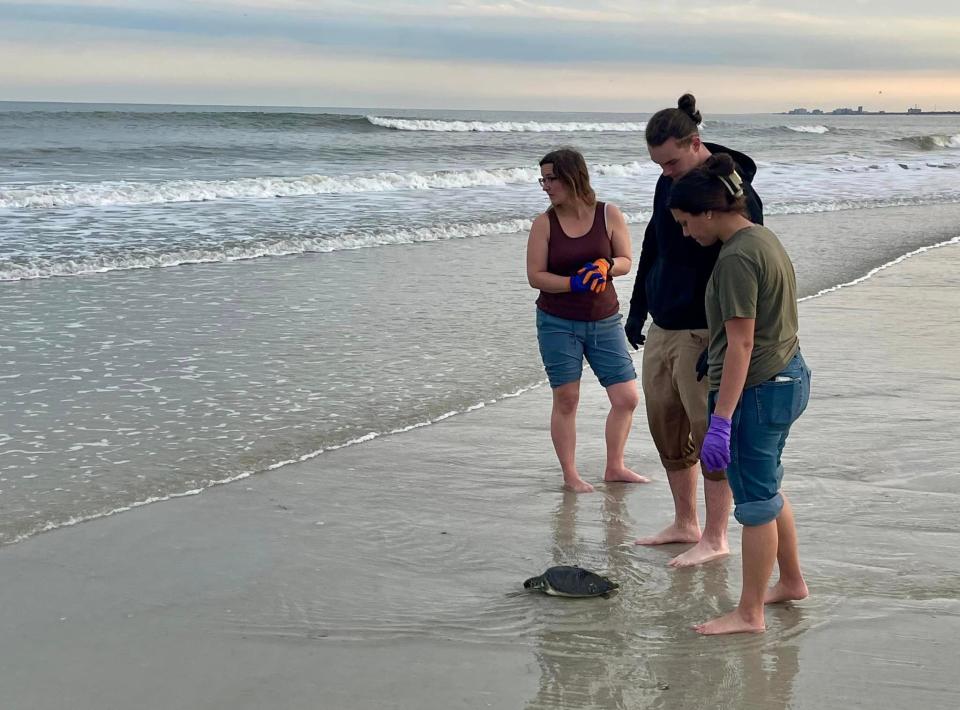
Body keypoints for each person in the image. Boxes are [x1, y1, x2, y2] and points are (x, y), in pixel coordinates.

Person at [669, 153, 811, 635]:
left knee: (753, 507)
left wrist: (722, 418)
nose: (687, 234)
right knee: (767, 489)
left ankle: (749, 612)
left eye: (687, 223)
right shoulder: (762, 237)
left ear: (709, 212)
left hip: (758, 390)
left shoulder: (735, 258)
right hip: (788, 375)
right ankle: (790, 581)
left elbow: (743, 342)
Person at [628, 94, 763, 567]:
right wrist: (638, 304)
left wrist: (721, 342)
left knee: (709, 436)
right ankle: (685, 521)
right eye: (659, 165)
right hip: (664, 325)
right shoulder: (668, 185)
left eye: (671, 160)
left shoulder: (731, 192)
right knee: (667, 429)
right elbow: (652, 241)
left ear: (695, 143)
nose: (665, 172)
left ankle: (715, 535)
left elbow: (747, 268)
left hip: (705, 332)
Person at [526, 148, 649, 493]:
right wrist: (572, 284)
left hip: (604, 320)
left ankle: (615, 466)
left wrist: (606, 267)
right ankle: (571, 475)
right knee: (567, 398)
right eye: (543, 179)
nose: (546, 186)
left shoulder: (608, 214)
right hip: (557, 322)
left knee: (626, 398)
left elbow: (625, 259)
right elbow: (535, 276)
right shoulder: (544, 223)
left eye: (551, 179)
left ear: (572, 177)